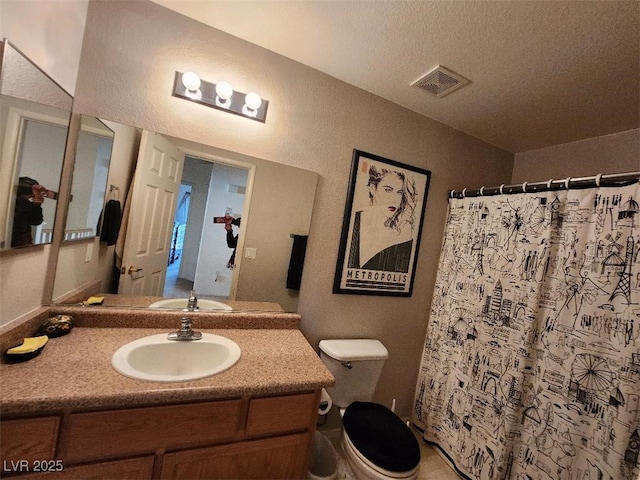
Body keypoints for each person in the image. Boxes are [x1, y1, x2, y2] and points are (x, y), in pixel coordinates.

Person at [347, 164, 417, 272]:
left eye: (399, 193)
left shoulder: (403, 230)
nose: (394, 199)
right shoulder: (353, 222)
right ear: (372, 188)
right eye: (388, 190)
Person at [11, 177, 47, 247]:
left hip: (22, 243)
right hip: (18, 242)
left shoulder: (27, 205)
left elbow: (36, 221)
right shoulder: (15, 203)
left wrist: (36, 206)